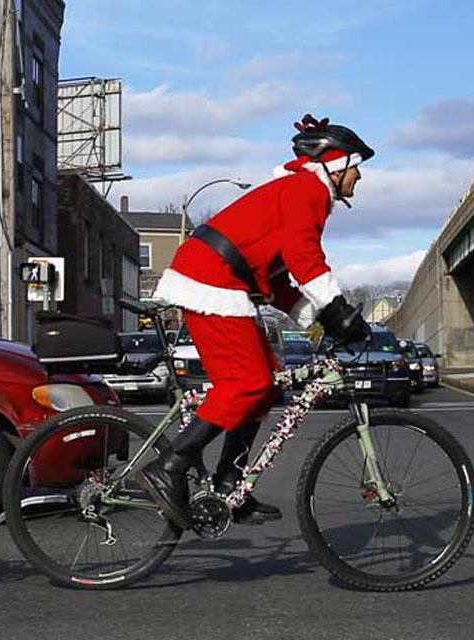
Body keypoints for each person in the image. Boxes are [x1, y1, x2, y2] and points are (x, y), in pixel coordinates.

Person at [139, 114, 372, 528]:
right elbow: (303, 255)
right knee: (247, 383)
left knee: (266, 385)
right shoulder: (307, 190)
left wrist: (319, 319)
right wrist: (337, 308)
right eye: (356, 167)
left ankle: (230, 483)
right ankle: (170, 465)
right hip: (211, 279)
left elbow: (278, 279)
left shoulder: (298, 191)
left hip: (225, 281)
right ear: (336, 166)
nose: (359, 177)